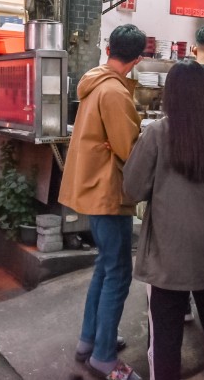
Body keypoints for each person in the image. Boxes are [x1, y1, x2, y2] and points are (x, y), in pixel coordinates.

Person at [123, 60, 204, 380]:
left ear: (171, 95)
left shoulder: (159, 133)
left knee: (166, 341)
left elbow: (132, 188)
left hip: (170, 254)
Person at [59, 24, 147, 380]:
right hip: (107, 191)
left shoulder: (95, 81)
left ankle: (90, 340)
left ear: (108, 48)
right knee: (118, 272)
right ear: (139, 58)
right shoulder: (114, 93)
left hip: (92, 188)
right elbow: (130, 149)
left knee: (105, 267)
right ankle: (105, 357)